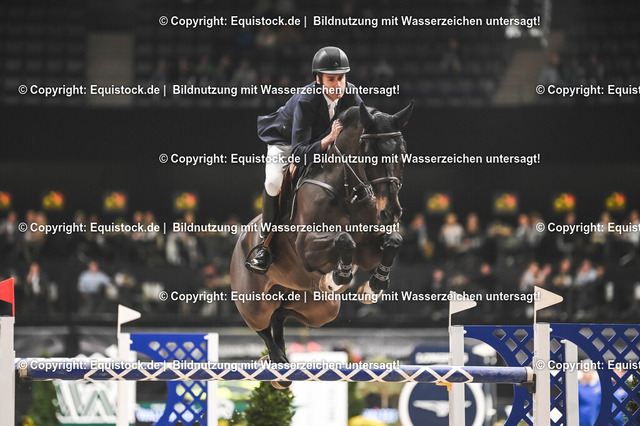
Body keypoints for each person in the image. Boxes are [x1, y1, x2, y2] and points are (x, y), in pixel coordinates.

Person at [245, 46, 364, 274]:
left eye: (341, 78)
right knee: (273, 182)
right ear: (318, 79)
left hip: (321, 142)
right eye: (331, 79)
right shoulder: (307, 100)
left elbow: (364, 126)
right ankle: (265, 245)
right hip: (287, 144)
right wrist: (328, 140)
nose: (338, 84)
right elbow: (298, 153)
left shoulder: (350, 94)